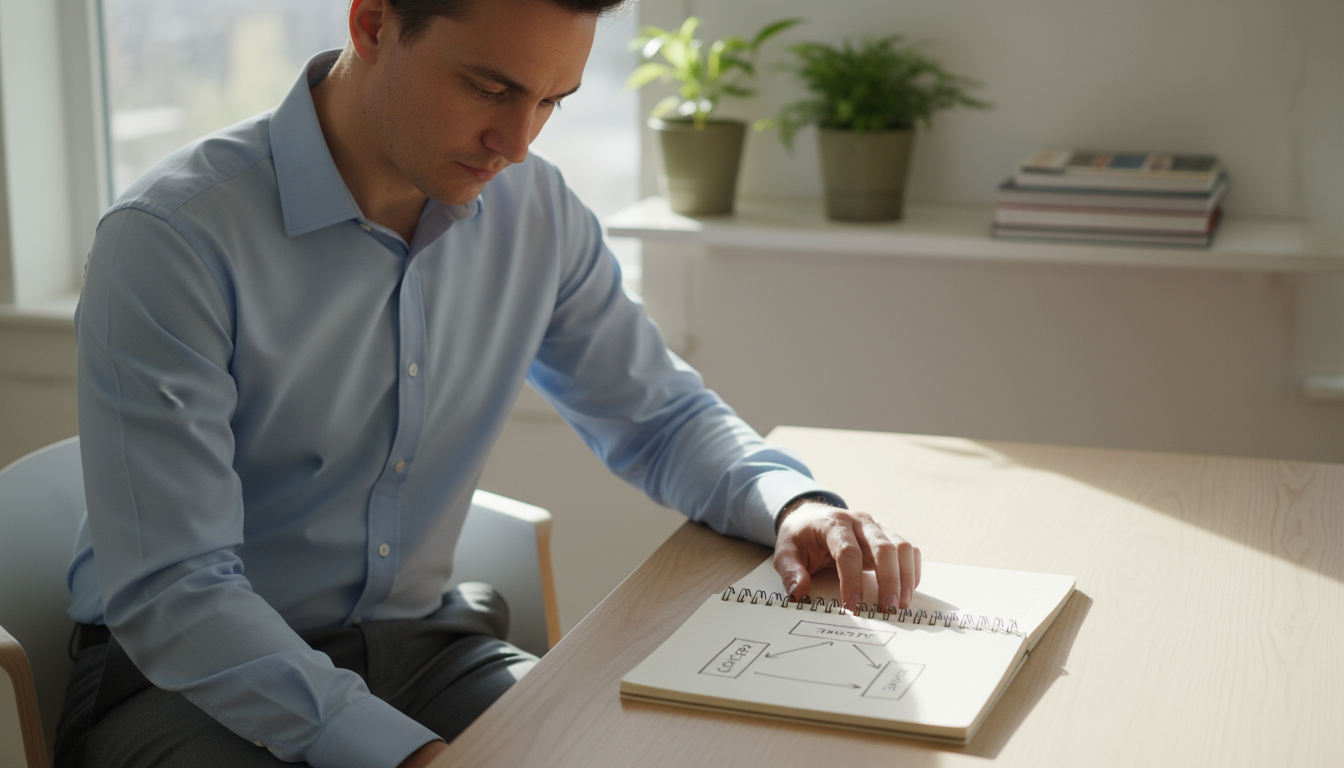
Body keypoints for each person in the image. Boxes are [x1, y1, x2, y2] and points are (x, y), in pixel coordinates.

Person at [56, 1, 921, 766]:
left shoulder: (535, 212)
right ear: (372, 23)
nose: (518, 144)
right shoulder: (171, 241)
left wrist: (790, 502)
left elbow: (657, 417)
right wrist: (405, 755)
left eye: (551, 102)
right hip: (187, 683)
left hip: (425, 651)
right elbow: (177, 594)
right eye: (490, 89)